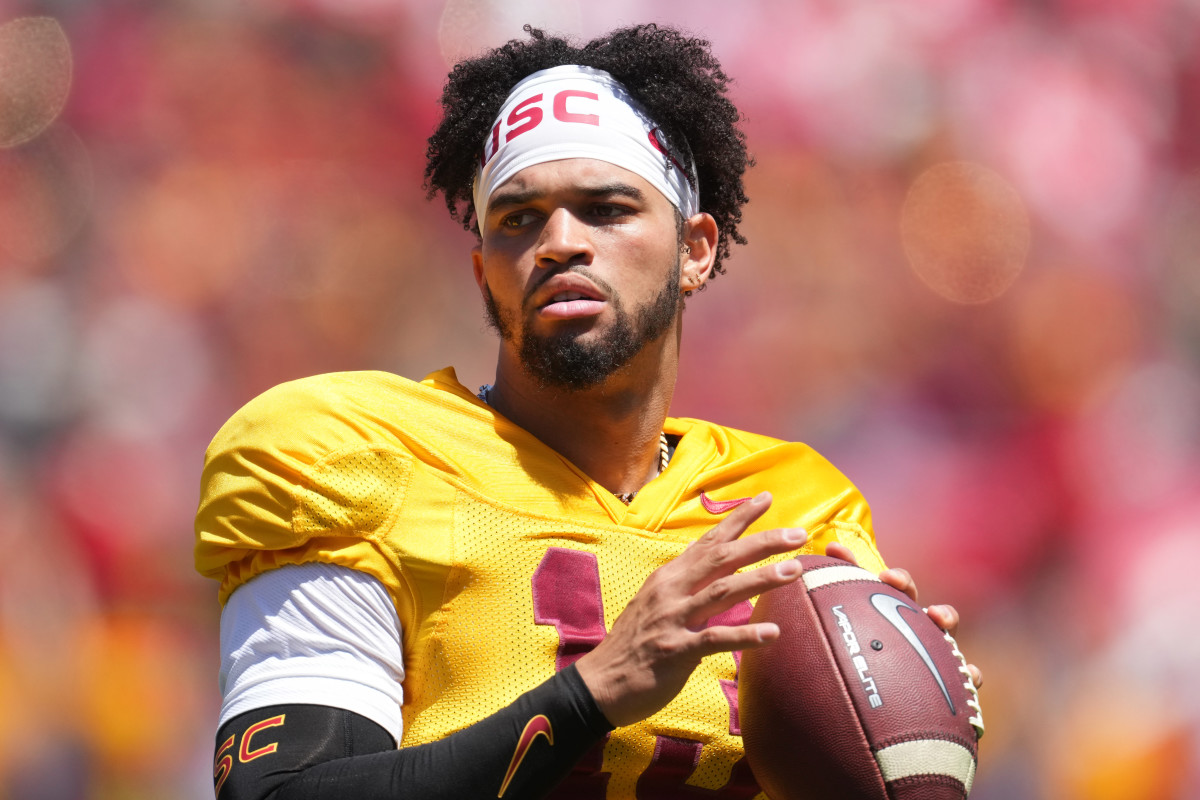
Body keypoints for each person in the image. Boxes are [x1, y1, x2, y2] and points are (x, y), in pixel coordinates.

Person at [195, 24, 980, 800]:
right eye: (518, 218)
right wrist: (592, 695)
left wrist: (907, 750)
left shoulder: (799, 510)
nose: (559, 242)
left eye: (605, 209)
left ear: (696, 250)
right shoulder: (353, 457)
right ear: (482, 273)